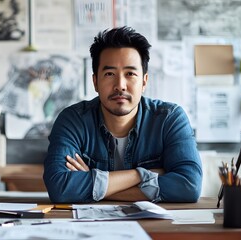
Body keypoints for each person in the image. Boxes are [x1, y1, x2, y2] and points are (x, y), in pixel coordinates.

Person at [43, 26, 202, 203]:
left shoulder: (170, 119)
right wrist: (140, 175)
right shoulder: (73, 120)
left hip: (153, 227)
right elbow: (60, 189)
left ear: (144, 81)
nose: (120, 85)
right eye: (110, 73)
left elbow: (189, 186)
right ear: (95, 81)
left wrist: (93, 185)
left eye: (130, 74)